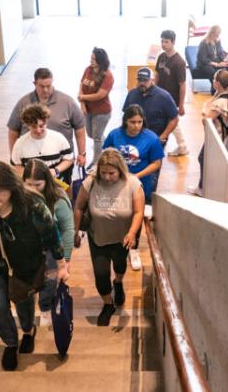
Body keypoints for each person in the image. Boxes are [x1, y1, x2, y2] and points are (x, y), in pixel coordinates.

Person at [0, 161, 68, 371]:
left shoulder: (32, 203)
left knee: (24, 305)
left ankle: (28, 331)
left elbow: (51, 234)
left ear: (11, 187)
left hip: (25, 266)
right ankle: (10, 343)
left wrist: (61, 264)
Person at [72, 149, 144, 327]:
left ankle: (118, 283)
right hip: (98, 238)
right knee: (101, 274)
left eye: (111, 173)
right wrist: (75, 231)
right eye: (103, 173)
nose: (107, 177)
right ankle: (107, 304)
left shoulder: (133, 184)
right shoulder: (90, 182)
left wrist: (132, 233)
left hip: (122, 238)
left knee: (120, 265)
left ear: (120, 170)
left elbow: (138, 212)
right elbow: (79, 207)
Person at [102, 105, 163, 271]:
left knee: (137, 216)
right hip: (116, 185)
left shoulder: (151, 138)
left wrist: (136, 176)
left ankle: (133, 249)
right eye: (132, 122)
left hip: (141, 186)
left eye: (139, 122)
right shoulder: (115, 135)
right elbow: (105, 155)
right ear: (125, 121)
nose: (136, 126)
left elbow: (156, 163)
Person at [7, 68, 87, 182]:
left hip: (60, 161)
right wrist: (15, 154)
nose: (45, 90)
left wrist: (82, 154)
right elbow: (13, 130)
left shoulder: (67, 102)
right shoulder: (23, 103)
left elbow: (79, 128)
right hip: (31, 163)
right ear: (34, 84)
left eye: (48, 86)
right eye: (41, 86)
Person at [22, 159, 74, 324]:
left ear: (47, 181)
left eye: (37, 184)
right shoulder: (19, 196)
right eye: (28, 184)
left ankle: (45, 308)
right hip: (28, 250)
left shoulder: (59, 199)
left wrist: (66, 259)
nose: (32, 189)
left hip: (52, 251)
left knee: (49, 282)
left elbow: (67, 230)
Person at [188, 69, 228, 197]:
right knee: (204, 159)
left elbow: (205, 120)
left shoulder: (220, 101)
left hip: (218, 138)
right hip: (219, 136)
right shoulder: (224, 93)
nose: (212, 82)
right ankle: (204, 187)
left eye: (214, 80)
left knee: (203, 158)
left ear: (218, 83)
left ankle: (203, 188)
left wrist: (204, 109)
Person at [10, 103, 74, 182]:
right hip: (32, 187)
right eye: (34, 126)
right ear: (28, 125)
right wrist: (31, 176)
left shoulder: (59, 138)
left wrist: (56, 170)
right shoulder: (20, 143)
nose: (38, 130)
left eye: (41, 126)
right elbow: (16, 165)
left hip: (56, 184)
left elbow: (69, 159)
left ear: (46, 122)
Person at [123, 68, 179, 147]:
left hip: (155, 140)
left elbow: (174, 119)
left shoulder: (164, 96)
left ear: (152, 80)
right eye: (139, 80)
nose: (142, 83)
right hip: (134, 139)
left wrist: (162, 137)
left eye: (145, 80)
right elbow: (126, 116)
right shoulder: (132, 94)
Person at [155, 30, 188, 156]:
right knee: (171, 121)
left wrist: (181, 105)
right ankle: (182, 145)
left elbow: (182, 85)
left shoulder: (179, 62)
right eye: (162, 41)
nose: (163, 44)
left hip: (171, 99)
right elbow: (157, 74)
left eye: (166, 42)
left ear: (173, 42)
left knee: (172, 121)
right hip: (159, 96)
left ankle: (182, 146)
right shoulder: (161, 56)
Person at [78, 47, 114, 163]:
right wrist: (82, 104)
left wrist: (83, 97)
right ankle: (108, 143)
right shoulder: (88, 70)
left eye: (94, 59)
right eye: (91, 58)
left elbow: (100, 95)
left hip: (102, 112)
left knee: (97, 138)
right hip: (88, 110)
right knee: (91, 134)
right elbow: (81, 86)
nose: (91, 61)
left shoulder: (107, 75)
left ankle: (96, 163)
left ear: (100, 60)